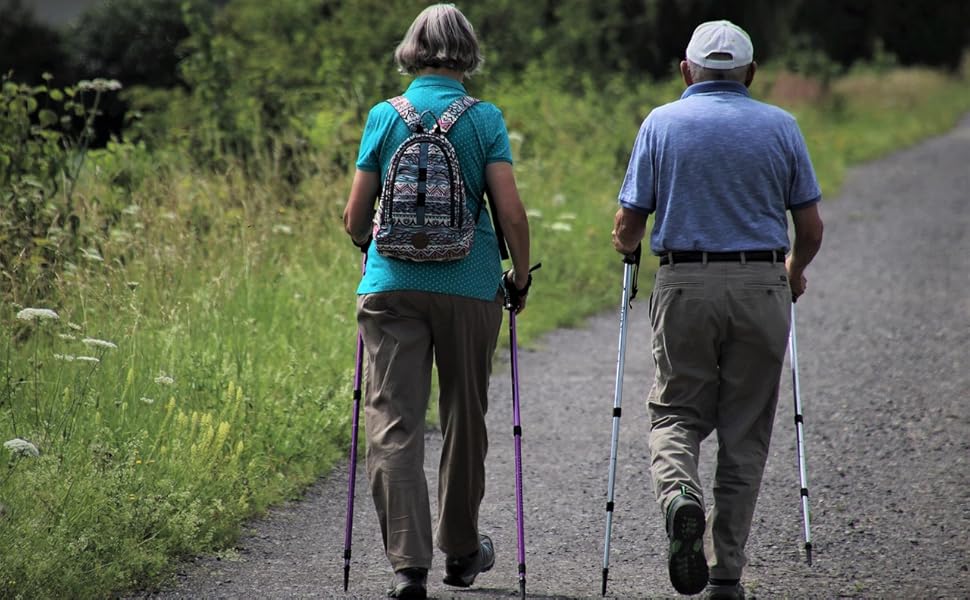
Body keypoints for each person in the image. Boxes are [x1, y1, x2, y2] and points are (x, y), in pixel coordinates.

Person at [611, 20, 824, 600]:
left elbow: (630, 225)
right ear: (751, 74)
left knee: (676, 413)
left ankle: (681, 495)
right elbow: (810, 227)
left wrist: (625, 246)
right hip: (762, 284)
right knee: (745, 430)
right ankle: (727, 570)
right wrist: (793, 272)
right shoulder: (782, 126)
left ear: (687, 70)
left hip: (685, 283)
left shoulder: (661, 122)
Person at [342, 4, 532, 599]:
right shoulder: (484, 119)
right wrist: (519, 277)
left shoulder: (383, 115)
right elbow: (509, 210)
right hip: (470, 284)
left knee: (394, 421)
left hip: (391, 287)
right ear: (467, 52)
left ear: (412, 51)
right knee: (463, 417)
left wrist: (374, 249)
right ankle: (462, 552)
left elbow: (354, 217)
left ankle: (408, 566)